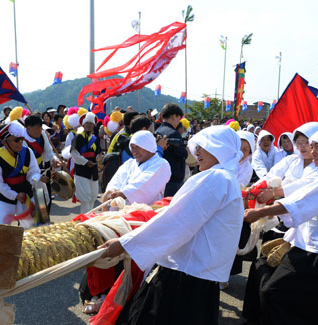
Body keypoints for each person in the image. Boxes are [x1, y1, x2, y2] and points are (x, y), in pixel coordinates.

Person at [99, 125, 244, 324]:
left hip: (185, 274)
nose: (197, 152)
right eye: (197, 147)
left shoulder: (216, 178)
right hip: (197, 273)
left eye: (205, 146)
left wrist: (125, 243)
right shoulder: (226, 178)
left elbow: (177, 222)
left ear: (221, 149)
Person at [243, 128, 318, 325]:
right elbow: (301, 198)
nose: (312, 151)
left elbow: (303, 201)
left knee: (276, 293)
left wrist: (260, 212)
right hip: (309, 246)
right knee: (298, 300)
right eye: (311, 146)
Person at [0, 121, 41, 228]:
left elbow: (34, 171)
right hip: (5, 197)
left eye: (21, 139)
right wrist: (15, 195)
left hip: (25, 194)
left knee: (29, 229)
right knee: (3, 229)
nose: (20, 142)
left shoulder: (27, 152)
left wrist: (34, 179)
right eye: (16, 140)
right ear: (4, 142)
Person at [103, 130, 171, 205]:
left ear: (148, 146)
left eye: (138, 147)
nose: (134, 151)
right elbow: (116, 179)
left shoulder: (161, 164)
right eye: (132, 147)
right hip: (119, 211)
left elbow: (145, 183)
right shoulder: (129, 163)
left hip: (145, 213)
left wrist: (124, 194)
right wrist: (112, 191)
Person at [23, 115, 62, 214]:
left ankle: (43, 227)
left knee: (44, 204)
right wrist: (38, 177)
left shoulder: (42, 135)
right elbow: (25, 165)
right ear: (28, 128)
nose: (40, 130)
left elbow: (48, 152)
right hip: (28, 178)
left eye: (41, 127)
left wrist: (54, 160)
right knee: (30, 209)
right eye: (37, 128)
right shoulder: (21, 140)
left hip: (44, 174)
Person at [71, 113, 103, 213]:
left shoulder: (95, 139)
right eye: (87, 123)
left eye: (91, 124)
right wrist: (85, 162)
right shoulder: (78, 137)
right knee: (85, 198)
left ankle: (90, 218)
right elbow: (74, 154)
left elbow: (98, 152)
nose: (89, 125)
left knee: (93, 196)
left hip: (93, 170)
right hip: (82, 171)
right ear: (83, 125)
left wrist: (99, 158)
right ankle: (85, 219)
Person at [155, 103, 187, 196]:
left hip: (160, 179)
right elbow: (182, 154)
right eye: (179, 118)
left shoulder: (157, 131)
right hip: (173, 180)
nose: (179, 121)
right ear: (173, 116)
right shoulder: (173, 133)